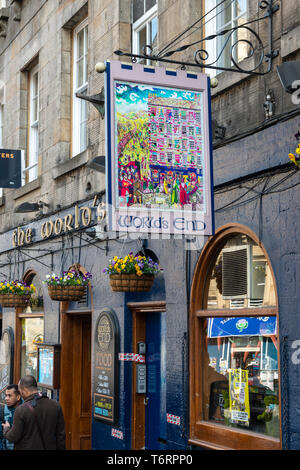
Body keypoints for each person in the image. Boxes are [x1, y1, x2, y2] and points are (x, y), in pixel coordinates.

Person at [2, 375, 66, 450]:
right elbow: (61, 437)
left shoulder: (21, 410)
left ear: (24, 390)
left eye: (20, 391)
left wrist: (6, 429)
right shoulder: (56, 406)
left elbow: (13, 437)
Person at [0, 385, 23, 450]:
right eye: (6, 395)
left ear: (18, 397)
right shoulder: (2, 411)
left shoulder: (26, 410)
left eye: (9, 396)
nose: (6, 398)